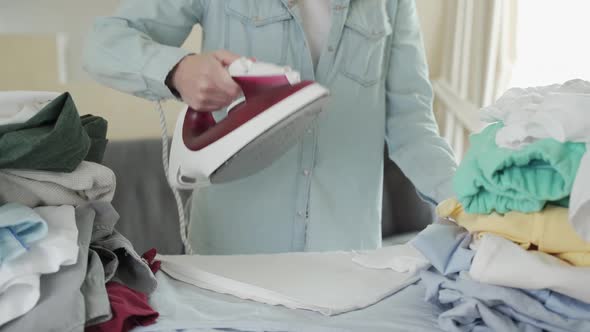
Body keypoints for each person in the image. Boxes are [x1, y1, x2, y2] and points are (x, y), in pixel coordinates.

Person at [83, 0, 457, 255]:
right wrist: (178, 69)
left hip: (347, 260)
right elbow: (102, 44)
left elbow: (413, 123)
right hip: (231, 257)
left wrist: (471, 204)